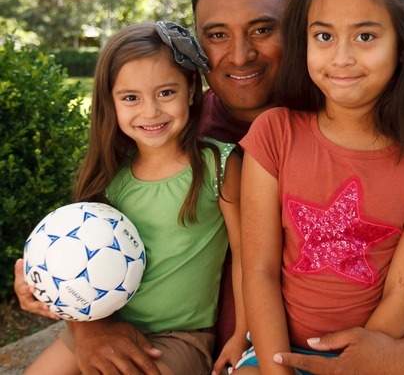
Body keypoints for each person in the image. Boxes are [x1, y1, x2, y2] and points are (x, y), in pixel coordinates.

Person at [15, 0, 404, 375]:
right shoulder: (166, 134)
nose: (240, 54)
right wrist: (86, 325)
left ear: (297, 29)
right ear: (195, 51)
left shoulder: (347, 122)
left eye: (263, 29)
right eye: (217, 36)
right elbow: (96, 234)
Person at [234, 0, 404, 375]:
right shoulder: (275, 134)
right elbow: (259, 272)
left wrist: (354, 363)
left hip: (378, 352)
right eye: (323, 36)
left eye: (365, 36)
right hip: (278, 351)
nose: (342, 58)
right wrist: (277, 367)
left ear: (403, 44)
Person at [18, 21, 248, 375]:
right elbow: (70, 250)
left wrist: (241, 335)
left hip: (178, 338)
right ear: (110, 101)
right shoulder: (110, 175)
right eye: (130, 98)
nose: (150, 111)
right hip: (102, 326)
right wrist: (39, 277)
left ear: (190, 89)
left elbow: (249, 258)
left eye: (165, 93)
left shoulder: (217, 165)